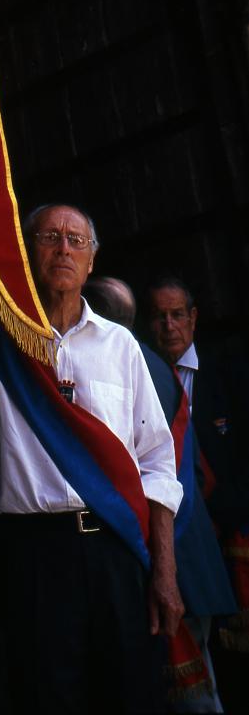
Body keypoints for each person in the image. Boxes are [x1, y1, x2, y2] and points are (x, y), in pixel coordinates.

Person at [0, 203, 184, 714]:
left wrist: (165, 571)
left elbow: (157, 463)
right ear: (25, 252)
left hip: (114, 552)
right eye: (50, 236)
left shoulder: (121, 347)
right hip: (33, 558)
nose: (63, 248)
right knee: (46, 697)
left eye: (76, 240)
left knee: (131, 694)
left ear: (91, 262)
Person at [84, 276, 236, 713]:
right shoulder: (156, 368)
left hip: (167, 555)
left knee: (190, 697)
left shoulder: (128, 368)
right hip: (185, 552)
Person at [147, 275, 249, 711]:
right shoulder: (145, 379)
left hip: (233, 534)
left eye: (177, 315)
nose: (169, 325)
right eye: (159, 317)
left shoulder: (227, 374)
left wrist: (219, 514)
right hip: (183, 544)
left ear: (193, 318)